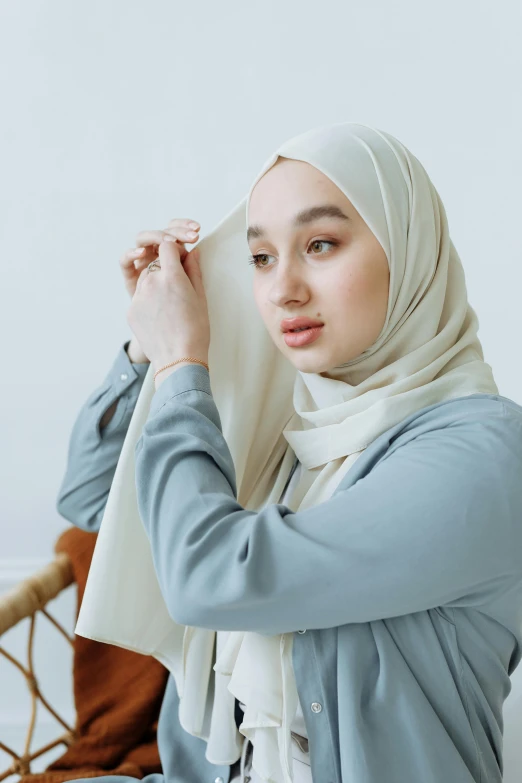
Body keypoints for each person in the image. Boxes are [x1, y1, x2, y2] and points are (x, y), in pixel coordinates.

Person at [56, 122, 522, 783]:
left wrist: (181, 364)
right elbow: (89, 499)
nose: (283, 290)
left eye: (321, 244)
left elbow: (211, 577)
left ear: (409, 251)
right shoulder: (294, 427)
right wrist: (145, 350)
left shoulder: (485, 458)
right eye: (261, 258)